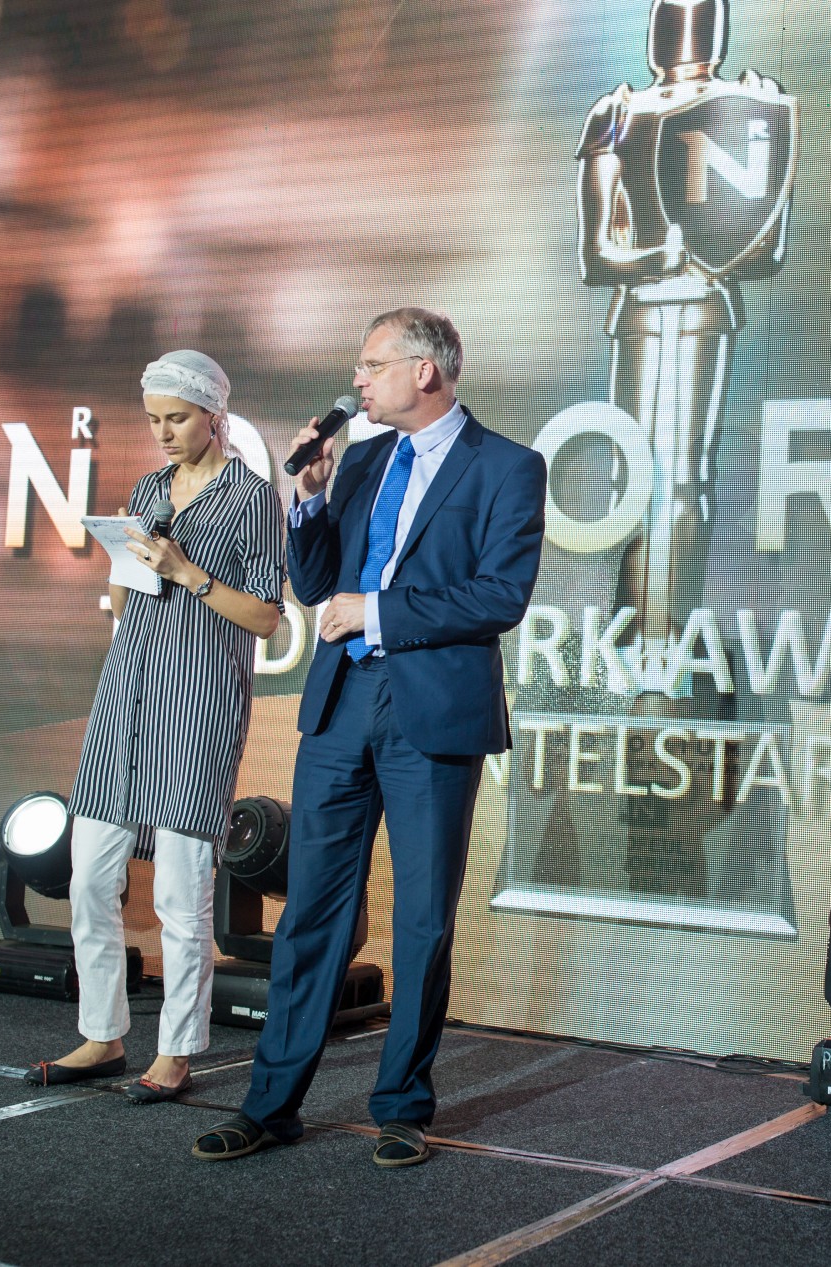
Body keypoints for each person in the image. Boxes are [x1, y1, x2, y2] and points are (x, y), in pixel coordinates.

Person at [192, 308, 546, 1167]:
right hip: (342, 704)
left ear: (426, 371)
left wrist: (379, 611)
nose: (357, 380)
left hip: (434, 713)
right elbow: (315, 583)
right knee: (312, 909)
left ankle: (403, 1105)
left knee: (423, 917)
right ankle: (270, 1103)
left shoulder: (507, 466)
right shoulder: (360, 459)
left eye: (372, 364)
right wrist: (310, 497)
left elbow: (501, 595)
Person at [26, 350, 284, 1103]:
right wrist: (125, 561)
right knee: (88, 878)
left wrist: (186, 572)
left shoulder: (252, 498)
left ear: (214, 414)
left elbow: (266, 617)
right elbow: (124, 597)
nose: (164, 433)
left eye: (177, 418)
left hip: (197, 705)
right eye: (153, 420)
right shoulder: (148, 489)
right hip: (125, 698)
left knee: (179, 891)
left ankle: (176, 1050)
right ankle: (102, 1034)